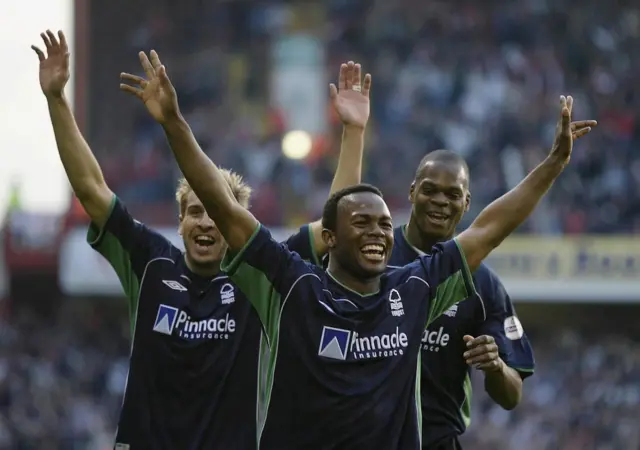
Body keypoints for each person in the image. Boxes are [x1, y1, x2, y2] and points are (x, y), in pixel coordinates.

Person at [119, 48, 594, 449]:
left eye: (386, 225)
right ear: (331, 236)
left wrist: (552, 164)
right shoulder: (293, 286)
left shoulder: (413, 288)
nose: (379, 233)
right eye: (362, 223)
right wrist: (174, 123)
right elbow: (224, 206)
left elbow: (489, 228)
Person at [33, 30, 369, 449]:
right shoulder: (151, 262)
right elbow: (91, 190)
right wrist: (56, 100)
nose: (206, 223)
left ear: (237, 225)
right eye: (195, 211)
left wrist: (352, 132)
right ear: (179, 220)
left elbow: (335, 227)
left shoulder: (264, 275)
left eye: (216, 213)